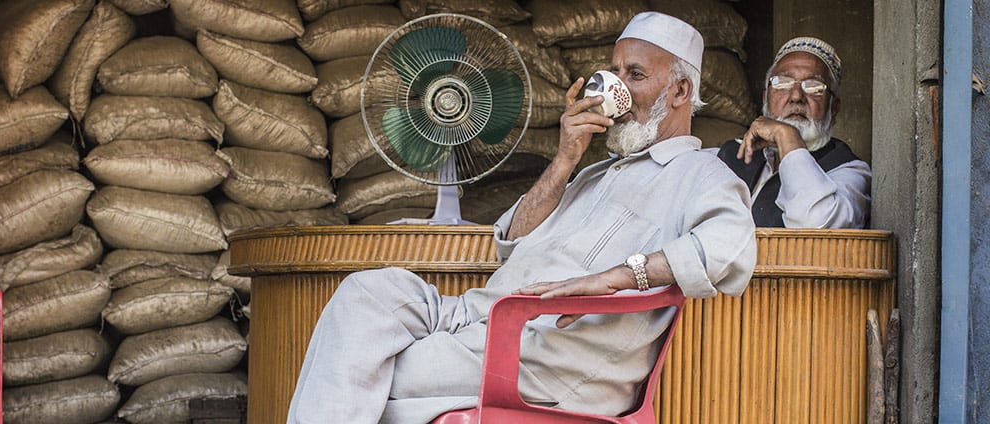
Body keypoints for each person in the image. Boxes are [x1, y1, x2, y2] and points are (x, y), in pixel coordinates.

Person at [287, 12, 756, 424]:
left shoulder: (702, 172)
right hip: (481, 317)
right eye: (613, 72)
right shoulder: (594, 170)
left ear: (679, 91)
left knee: (362, 371)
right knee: (366, 292)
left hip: (552, 351)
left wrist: (615, 277)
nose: (616, 86)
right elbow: (508, 241)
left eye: (635, 74)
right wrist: (566, 158)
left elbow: (730, 246)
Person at [714, 37, 872, 228]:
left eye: (814, 86)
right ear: (766, 98)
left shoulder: (849, 170)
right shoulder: (729, 154)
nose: (796, 96)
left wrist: (788, 137)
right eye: (782, 83)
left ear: (834, 107)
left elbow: (813, 224)